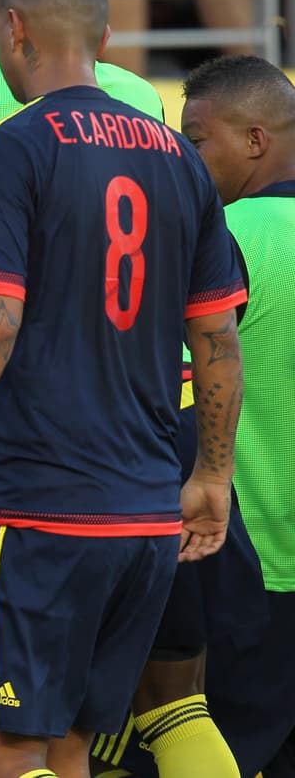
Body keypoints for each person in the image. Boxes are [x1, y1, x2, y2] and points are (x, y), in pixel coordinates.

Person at [0, 0, 245, 777]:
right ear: (105, 35)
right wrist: (212, 474)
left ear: (10, 29)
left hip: (36, 509)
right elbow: (216, 339)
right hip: (147, 517)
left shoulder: (7, 145)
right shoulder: (178, 157)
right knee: (68, 750)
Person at [173, 54, 295, 778]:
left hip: (245, 571)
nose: (184, 157)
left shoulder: (222, 239)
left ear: (255, 140)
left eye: (196, 139)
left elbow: (170, 391)